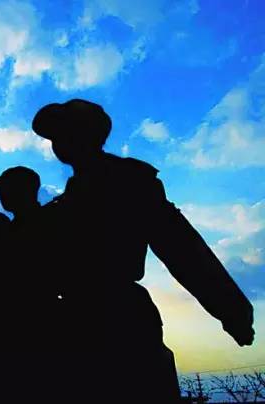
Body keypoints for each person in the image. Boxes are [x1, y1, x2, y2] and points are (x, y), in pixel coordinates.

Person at [31, 98, 254, 401]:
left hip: (119, 318)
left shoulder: (129, 180)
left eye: (65, 133)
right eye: (55, 137)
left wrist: (231, 308)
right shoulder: (66, 201)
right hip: (74, 320)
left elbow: (181, 246)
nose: (58, 143)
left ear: (89, 134)